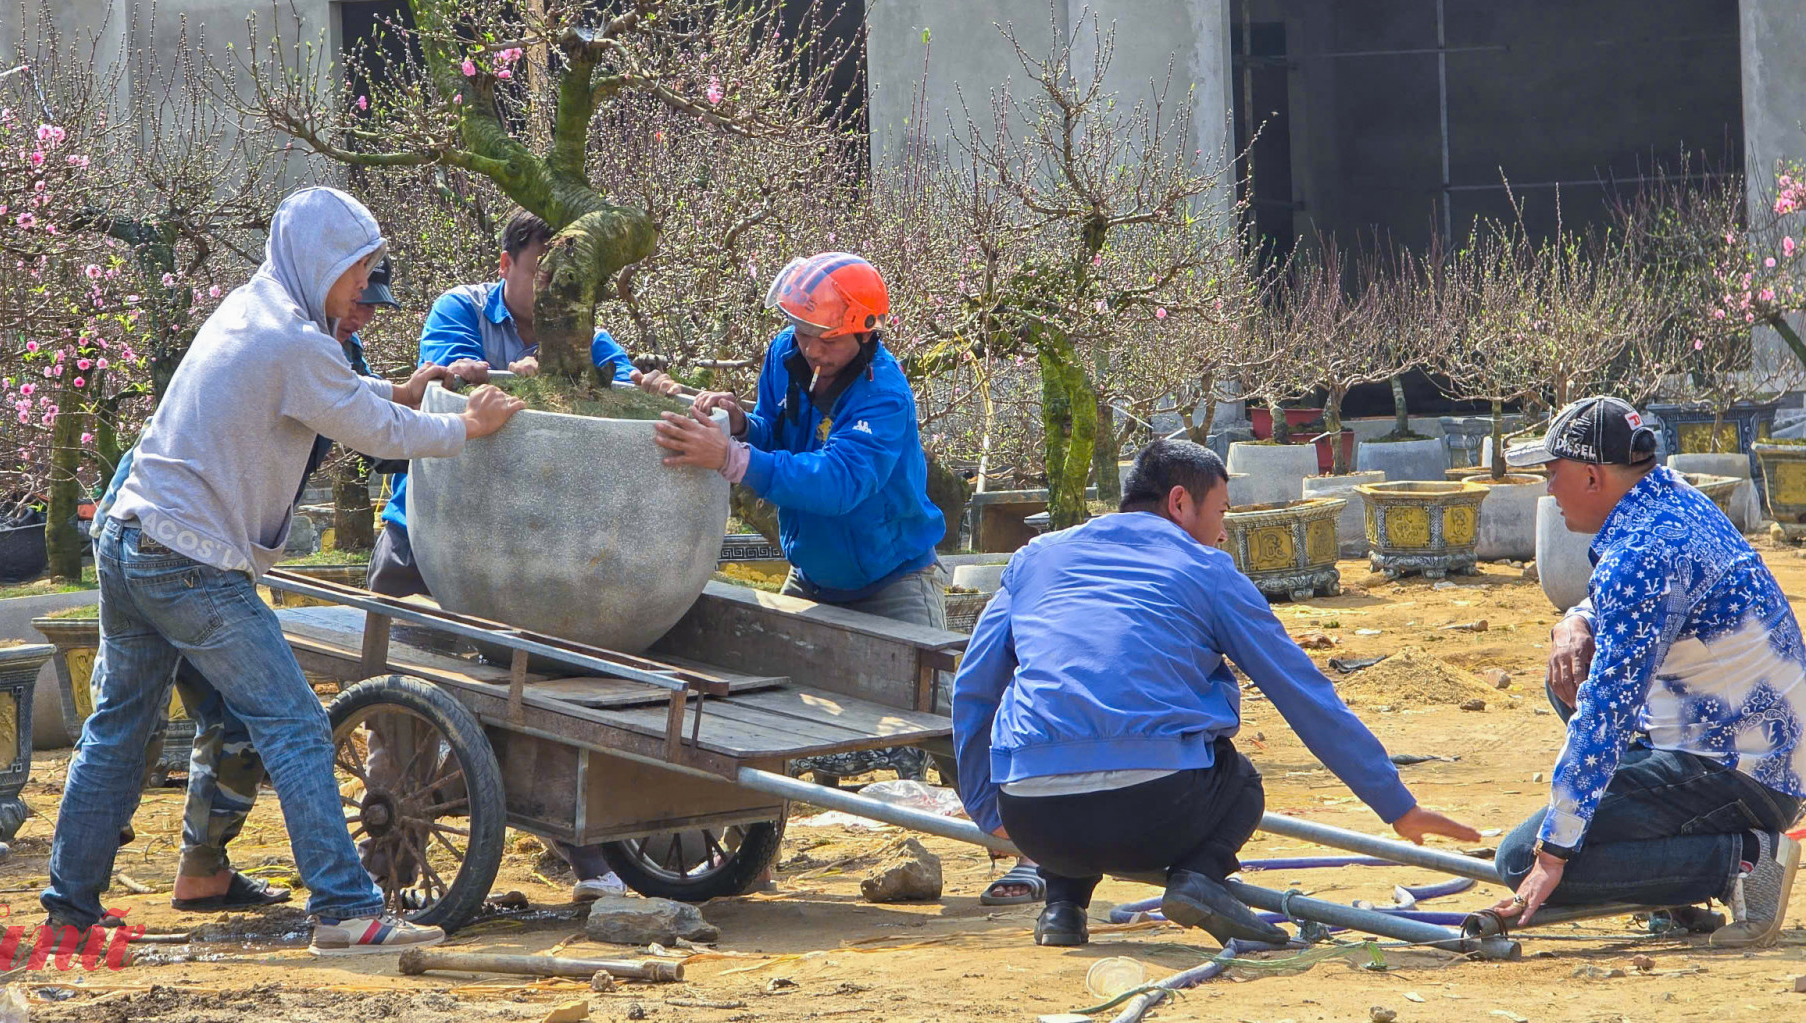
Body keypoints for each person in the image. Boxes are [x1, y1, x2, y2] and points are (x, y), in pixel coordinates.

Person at [42, 187, 526, 957]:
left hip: (129, 537)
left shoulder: (255, 308)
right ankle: (343, 906)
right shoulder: (295, 339)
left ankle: (68, 908)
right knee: (297, 721)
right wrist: (467, 425)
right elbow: (374, 428)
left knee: (119, 728)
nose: (364, 290)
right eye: (357, 271)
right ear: (321, 261)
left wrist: (399, 387)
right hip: (186, 558)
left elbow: (335, 393)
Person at [952, 439, 1478, 948]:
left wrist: (985, 805)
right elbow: (1302, 693)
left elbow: (973, 687)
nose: (1224, 533)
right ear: (1180, 502)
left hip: (1032, 818)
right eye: (1222, 513)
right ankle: (1198, 880)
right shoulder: (1207, 571)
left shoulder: (1033, 560)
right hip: (1155, 812)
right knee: (1241, 781)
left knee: (1066, 736)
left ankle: (1063, 908)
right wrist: (1396, 805)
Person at [367, 210, 680, 903]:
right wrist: (483, 370)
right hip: (430, 538)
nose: (553, 289)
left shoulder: (584, 333)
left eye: (566, 276)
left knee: (559, 694)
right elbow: (445, 372)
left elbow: (618, 379)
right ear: (506, 265)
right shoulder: (462, 308)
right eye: (541, 272)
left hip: (537, 558)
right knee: (402, 709)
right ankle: (387, 867)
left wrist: (642, 386)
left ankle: (589, 857)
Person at [87, 254, 409, 915]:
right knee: (135, 714)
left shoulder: (338, 350)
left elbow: (381, 439)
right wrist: (447, 420)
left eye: (371, 302)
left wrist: (434, 398)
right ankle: (91, 862)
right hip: (167, 526)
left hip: (215, 543)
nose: (363, 312)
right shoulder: (282, 337)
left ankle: (199, 870)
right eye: (356, 296)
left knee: (234, 714)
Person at [1494, 397, 1806, 945]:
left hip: (1747, 770)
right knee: (1568, 671)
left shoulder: (1641, 554)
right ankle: (1676, 883)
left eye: (1552, 472)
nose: (1547, 487)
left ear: (1591, 477)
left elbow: (1606, 716)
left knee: (1519, 857)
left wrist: (1554, 852)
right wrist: (1576, 619)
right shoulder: (1671, 496)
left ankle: (1745, 858)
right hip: (1766, 745)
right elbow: (1630, 613)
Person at [653, 252, 949, 628]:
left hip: (893, 584)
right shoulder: (785, 352)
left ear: (865, 333)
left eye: (827, 340)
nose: (811, 350)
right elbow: (776, 434)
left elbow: (837, 482)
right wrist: (742, 425)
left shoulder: (884, 395)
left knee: (922, 684)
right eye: (803, 333)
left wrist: (731, 457)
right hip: (811, 576)